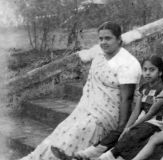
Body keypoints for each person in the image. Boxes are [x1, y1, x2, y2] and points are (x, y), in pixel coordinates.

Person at [19, 21, 142, 160]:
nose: (103, 42)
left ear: (119, 39)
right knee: (62, 130)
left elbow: (127, 98)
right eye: (100, 38)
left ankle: (69, 156)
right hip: (88, 108)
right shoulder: (100, 56)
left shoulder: (127, 63)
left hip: (109, 114)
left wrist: (121, 128)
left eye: (108, 38)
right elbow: (92, 86)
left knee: (85, 127)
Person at [74, 55, 163, 160]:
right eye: (145, 69)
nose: (148, 73)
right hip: (145, 121)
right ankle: (93, 152)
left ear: (160, 72)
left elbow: (150, 114)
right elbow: (136, 111)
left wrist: (131, 128)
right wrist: (126, 127)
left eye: (152, 70)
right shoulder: (144, 88)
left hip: (157, 123)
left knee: (134, 132)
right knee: (119, 131)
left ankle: (110, 155)